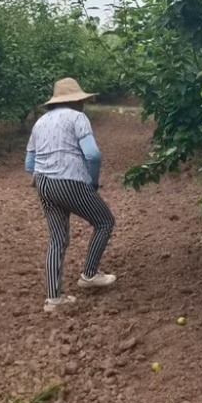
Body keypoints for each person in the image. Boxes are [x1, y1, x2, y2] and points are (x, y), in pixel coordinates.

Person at [25, 78, 116, 313]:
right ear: (76, 101)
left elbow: (29, 163)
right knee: (104, 221)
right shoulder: (78, 118)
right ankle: (89, 274)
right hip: (69, 181)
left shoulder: (40, 122)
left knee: (57, 238)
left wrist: (41, 175)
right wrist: (93, 182)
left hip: (44, 183)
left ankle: (53, 300)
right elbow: (93, 155)